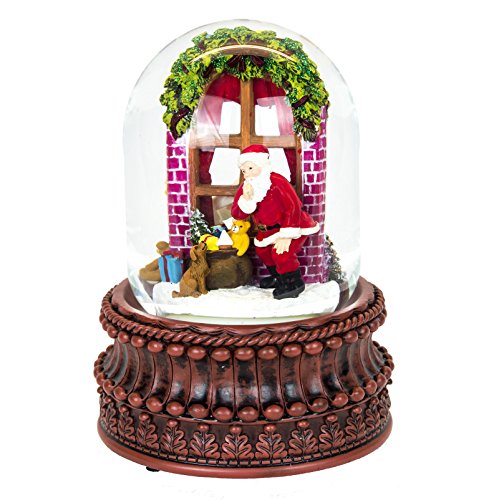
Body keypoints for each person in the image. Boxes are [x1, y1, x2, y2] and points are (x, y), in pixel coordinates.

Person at [231, 145, 319, 299]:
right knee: (263, 251)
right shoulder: (247, 187)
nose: (247, 174)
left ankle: (293, 282)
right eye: (244, 171)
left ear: (262, 165)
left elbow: (293, 207)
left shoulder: (277, 182)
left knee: (281, 253)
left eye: (250, 168)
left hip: (292, 226)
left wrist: (286, 235)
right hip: (268, 231)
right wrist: (246, 199)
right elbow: (237, 214)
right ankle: (279, 278)